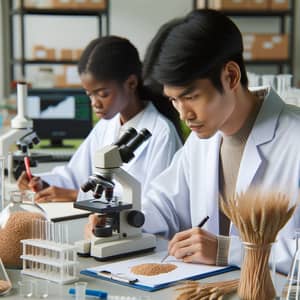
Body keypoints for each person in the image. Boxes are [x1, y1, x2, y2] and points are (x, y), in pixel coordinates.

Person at [86, 9, 300, 274]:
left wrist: (228, 250)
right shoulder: (202, 141)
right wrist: (122, 220)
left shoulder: (295, 139)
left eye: (191, 96)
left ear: (231, 76)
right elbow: (164, 204)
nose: (184, 114)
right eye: (174, 100)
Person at [17, 36, 182, 203]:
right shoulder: (106, 125)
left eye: (103, 94)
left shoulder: (162, 133)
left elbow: (156, 205)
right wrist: (44, 183)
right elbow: (76, 174)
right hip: (100, 224)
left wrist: (78, 196)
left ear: (131, 83)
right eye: (89, 94)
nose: (95, 103)